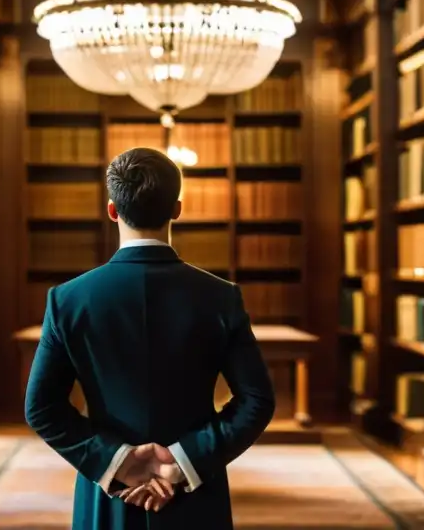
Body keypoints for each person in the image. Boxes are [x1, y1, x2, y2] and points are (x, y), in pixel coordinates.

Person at [25, 146, 276, 529]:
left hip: (110, 490)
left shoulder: (68, 300)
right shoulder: (221, 296)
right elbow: (257, 401)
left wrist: (118, 462)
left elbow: (41, 408)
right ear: (177, 208)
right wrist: (182, 461)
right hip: (195, 490)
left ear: (112, 210)